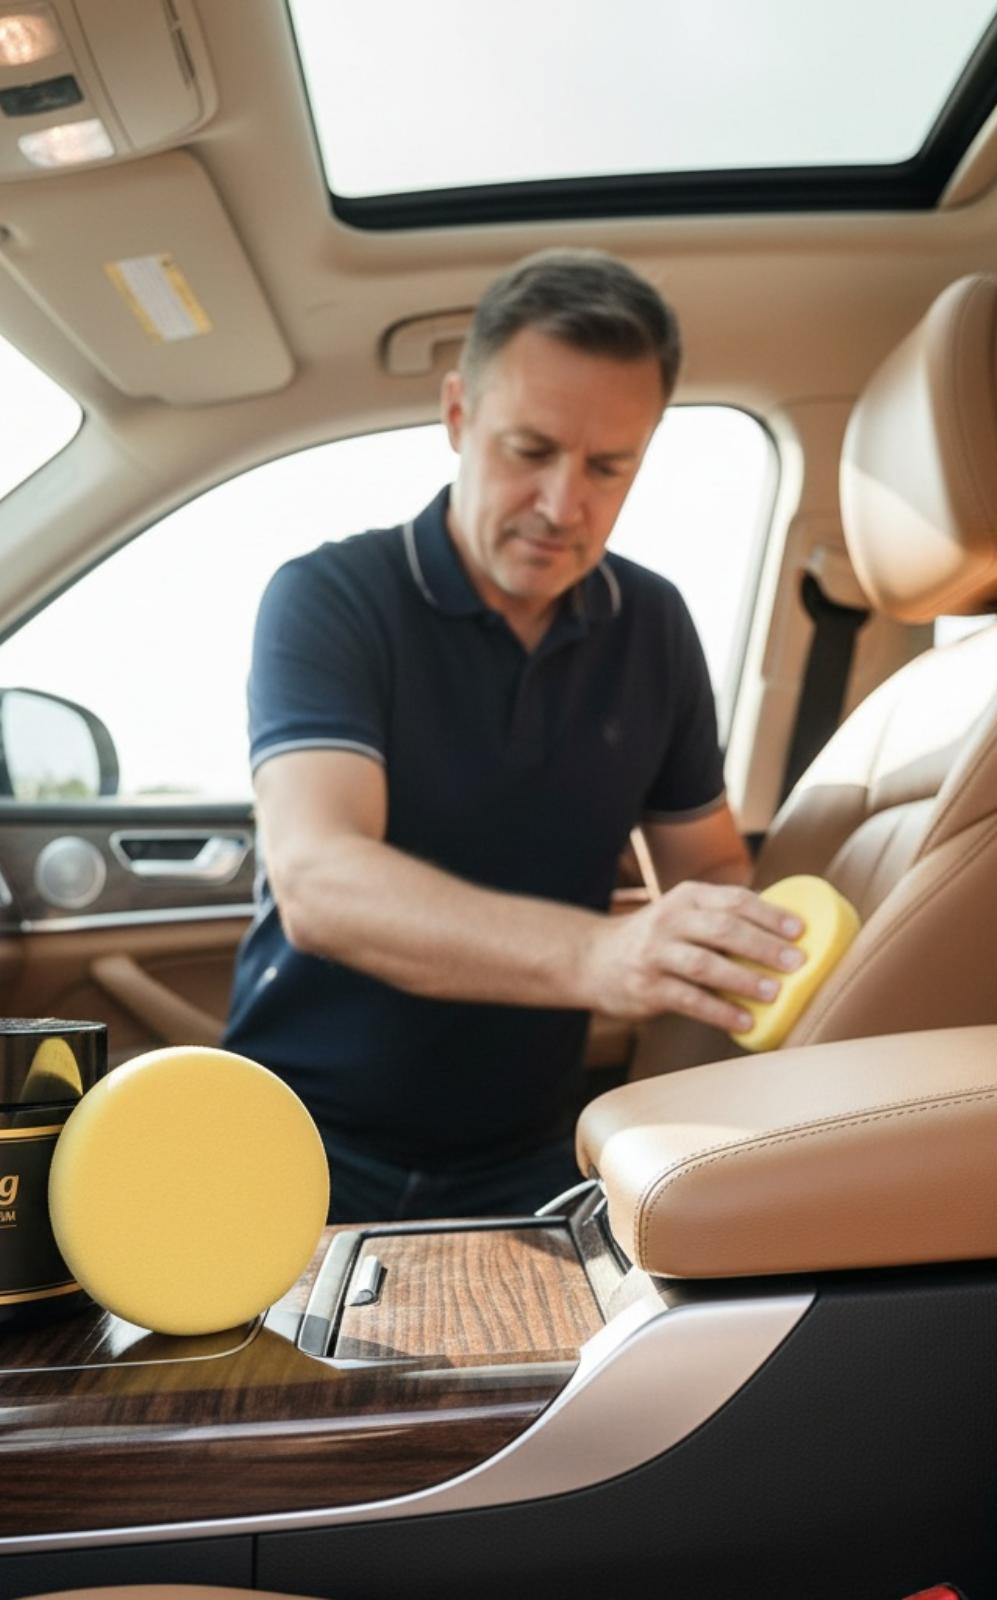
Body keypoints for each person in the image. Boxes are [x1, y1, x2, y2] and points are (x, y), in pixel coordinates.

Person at [221, 248, 805, 1223]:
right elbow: (319, 879)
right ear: (458, 415)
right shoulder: (330, 597)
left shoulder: (654, 625)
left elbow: (708, 870)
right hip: (297, 1136)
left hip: (531, 1163)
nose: (562, 506)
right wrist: (601, 955)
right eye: (529, 450)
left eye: (609, 467)